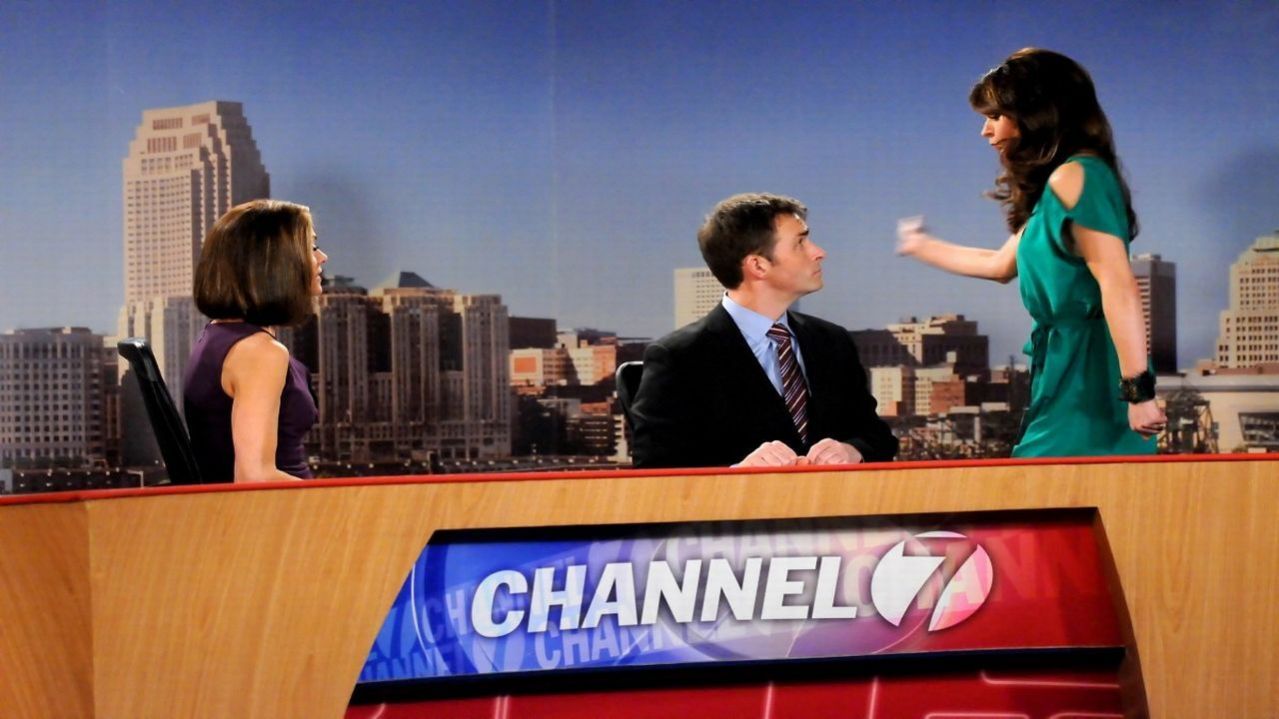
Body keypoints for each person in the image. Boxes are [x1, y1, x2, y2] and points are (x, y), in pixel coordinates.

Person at [896, 48, 1166, 457]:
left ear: (1036, 115)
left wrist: (1138, 392)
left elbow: (1118, 284)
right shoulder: (1055, 187)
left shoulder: (1078, 176)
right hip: (1060, 363)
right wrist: (921, 245)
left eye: (995, 116)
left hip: (1093, 370)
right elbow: (998, 265)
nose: (985, 131)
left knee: (1056, 482)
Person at [631, 193, 897, 468]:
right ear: (758, 265)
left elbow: (878, 438)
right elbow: (654, 469)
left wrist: (853, 451)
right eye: (800, 243)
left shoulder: (832, 341)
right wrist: (738, 474)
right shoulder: (680, 357)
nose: (819, 252)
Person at [183, 200, 327, 482]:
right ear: (275, 263)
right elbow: (254, 477)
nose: (322, 257)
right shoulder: (259, 353)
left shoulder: (218, 336)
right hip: (284, 509)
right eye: (311, 247)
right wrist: (337, 500)